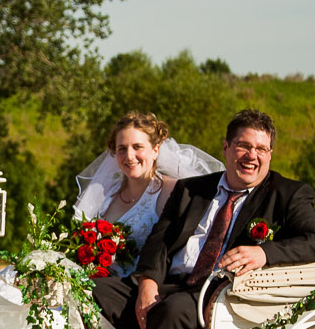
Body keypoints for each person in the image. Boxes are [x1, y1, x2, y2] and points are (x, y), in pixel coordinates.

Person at [91, 109, 315, 329]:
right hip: (169, 285)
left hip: (217, 296)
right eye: (243, 146)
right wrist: (147, 284)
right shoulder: (192, 189)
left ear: (270, 154)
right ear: (226, 148)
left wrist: (265, 254)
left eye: (261, 149)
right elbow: (158, 243)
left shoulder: (288, 194)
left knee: (172, 310)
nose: (251, 156)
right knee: (86, 289)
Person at [72, 113, 220, 276]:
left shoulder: (173, 191)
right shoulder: (106, 194)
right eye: (122, 149)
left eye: (137, 147)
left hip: (142, 287)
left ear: (155, 150)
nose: (129, 156)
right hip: (97, 285)